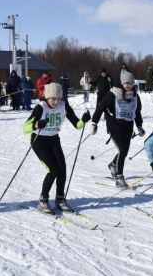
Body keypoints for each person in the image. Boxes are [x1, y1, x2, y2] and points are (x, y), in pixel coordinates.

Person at [23, 83, 90, 213]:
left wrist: (84, 120)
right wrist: (36, 124)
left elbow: (77, 125)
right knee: (52, 170)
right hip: (39, 141)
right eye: (53, 98)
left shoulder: (63, 106)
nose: (56, 101)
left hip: (53, 139)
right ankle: (43, 201)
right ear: (46, 97)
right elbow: (25, 128)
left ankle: (60, 199)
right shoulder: (40, 108)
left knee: (62, 169)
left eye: (58, 98)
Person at [90, 68, 145, 188]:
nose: (129, 86)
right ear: (122, 83)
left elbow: (137, 112)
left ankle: (113, 165)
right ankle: (119, 177)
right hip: (114, 125)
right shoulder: (113, 94)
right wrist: (94, 123)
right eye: (127, 83)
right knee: (122, 150)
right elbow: (100, 107)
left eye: (131, 83)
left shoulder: (135, 96)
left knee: (124, 152)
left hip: (128, 126)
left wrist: (139, 126)